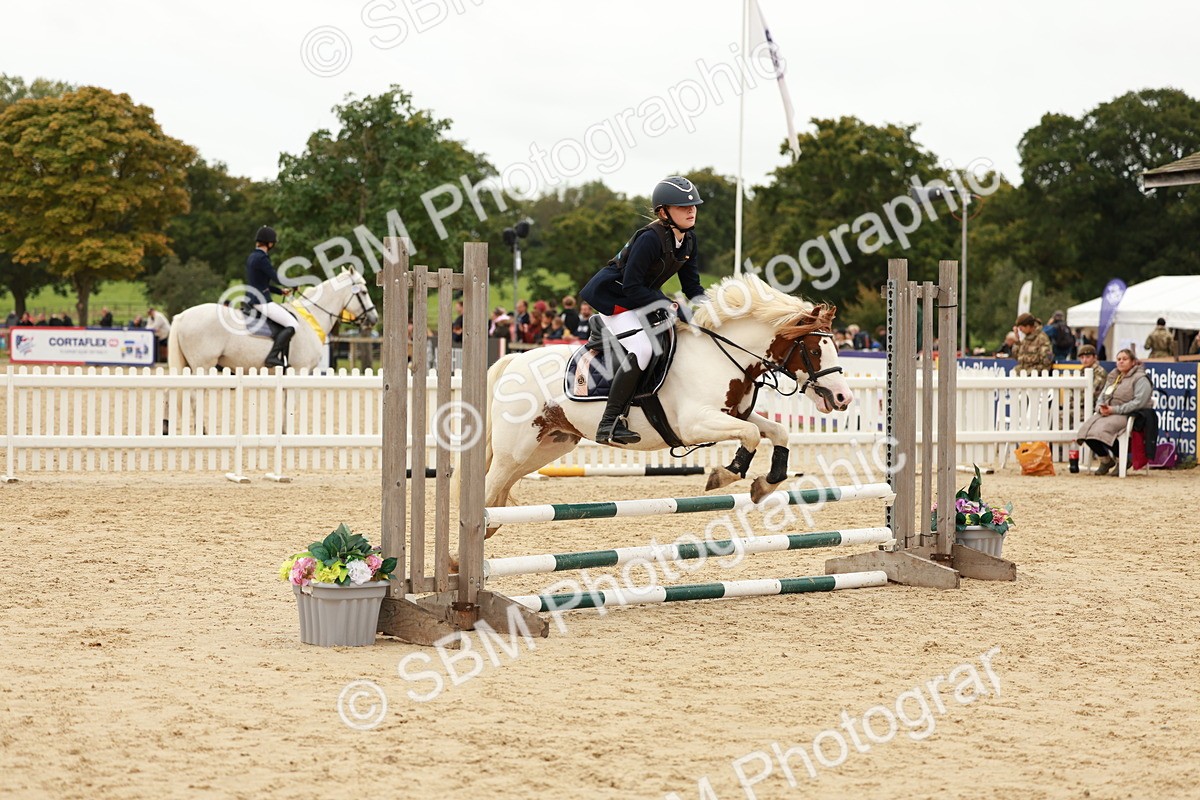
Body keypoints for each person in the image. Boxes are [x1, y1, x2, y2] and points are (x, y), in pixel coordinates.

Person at [580, 175, 707, 445]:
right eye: (683, 206)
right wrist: (669, 305)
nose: (691, 210)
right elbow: (632, 287)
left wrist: (712, 309)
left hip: (641, 299)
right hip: (617, 299)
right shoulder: (649, 239)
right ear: (663, 212)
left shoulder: (689, 241)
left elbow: (693, 286)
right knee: (644, 349)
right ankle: (609, 422)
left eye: (694, 205)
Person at [1076, 349, 1153, 475]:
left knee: (1103, 430)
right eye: (1118, 359)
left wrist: (1115, 410)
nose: (1121, 362)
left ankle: (1122, 460)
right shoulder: (1113, 376)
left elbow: (1139, 402)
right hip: (1108, 411)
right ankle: (1105, 460)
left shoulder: (1141, 379)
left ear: (1133, 362)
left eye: (1124, 359)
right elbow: (1102, 395)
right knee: (1085, 430)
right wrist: (1100, 408)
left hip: (1127, 414)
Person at [245, 225, 299, 368]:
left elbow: (261, 283)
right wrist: (293, 284)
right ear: (269, 243)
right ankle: (272, 356)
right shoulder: (262, 259)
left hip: (252, 298)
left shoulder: (252, 256)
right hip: (261, 302)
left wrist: (280, 292)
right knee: (293, 323)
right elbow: (275, 277)